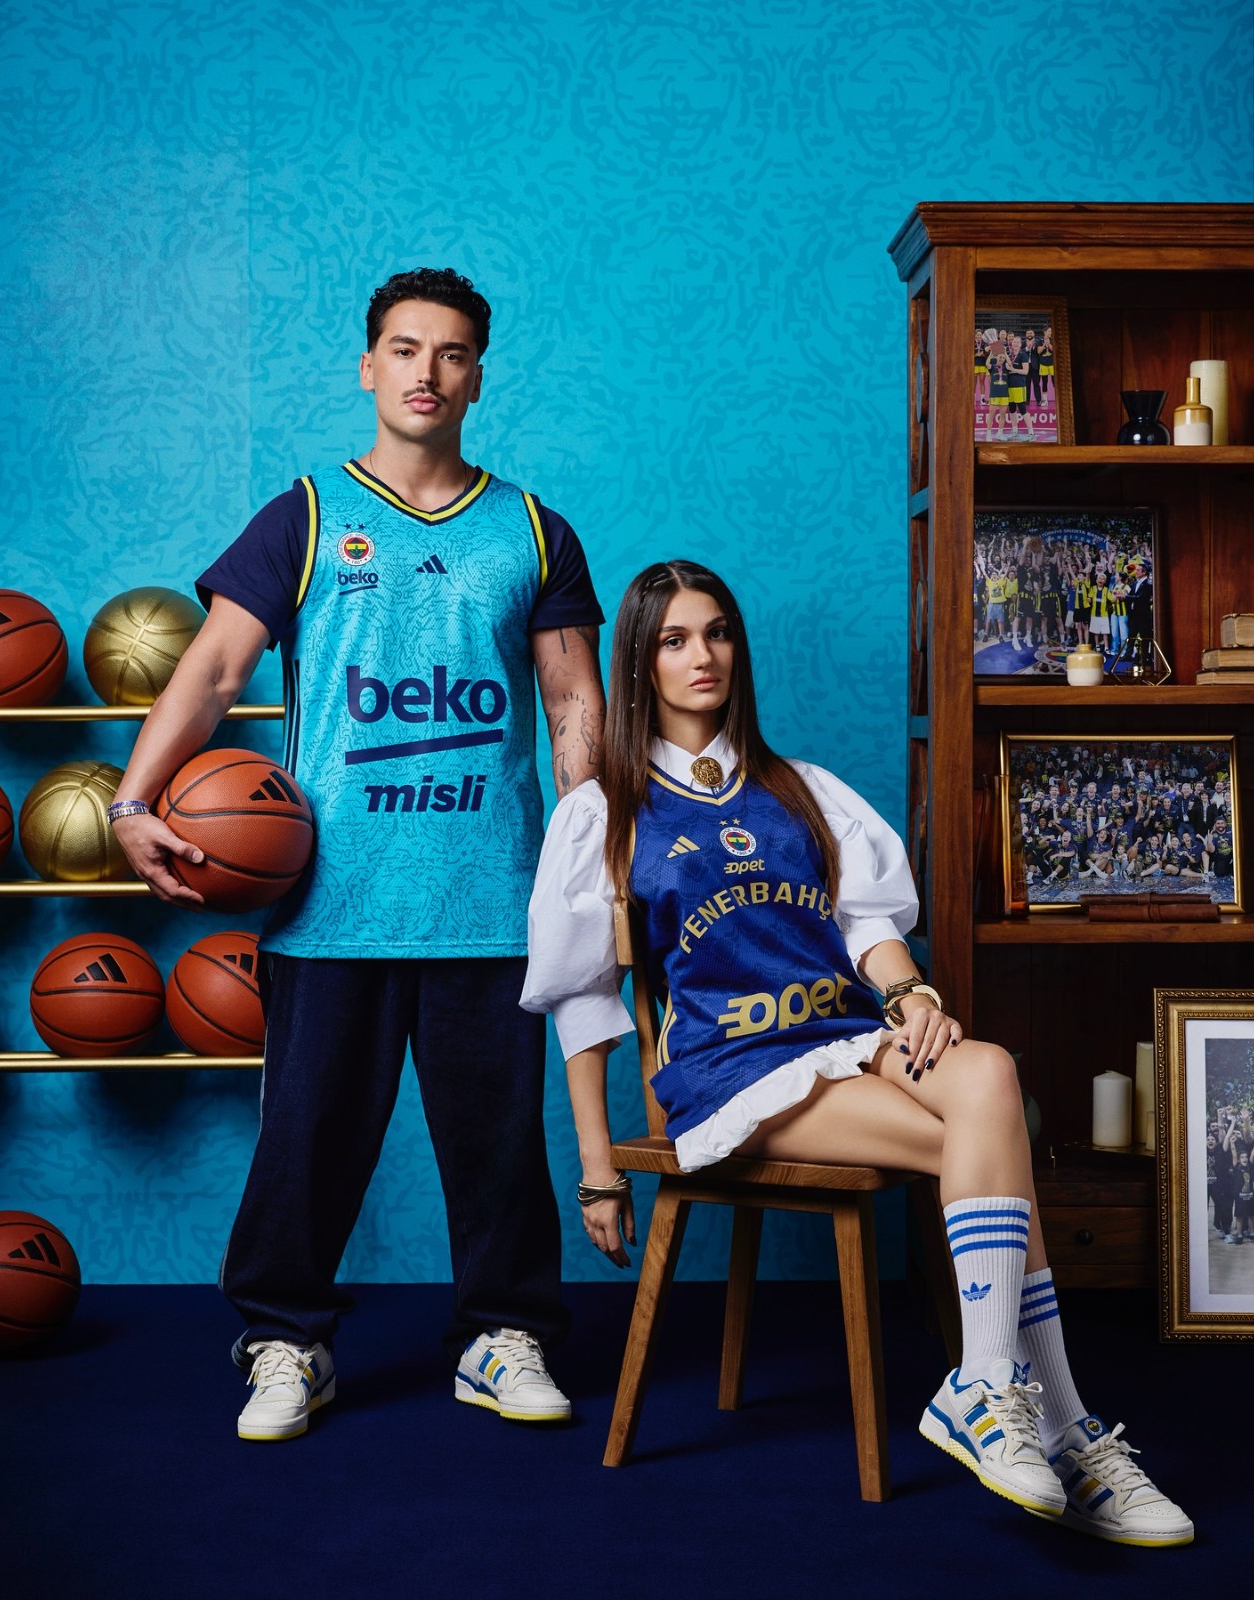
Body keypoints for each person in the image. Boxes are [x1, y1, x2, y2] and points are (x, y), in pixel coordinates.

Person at [522, 559, 1192, 1547]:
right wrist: (596, 1171)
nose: (703, 655)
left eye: (717, 632)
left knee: (988, 1072)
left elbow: (867, 924)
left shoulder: (801, 789)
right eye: (674, 639)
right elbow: (581, 1000)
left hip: (846, 1035)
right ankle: (1068, 1426)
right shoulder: (604, 813)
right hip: (730, 1074)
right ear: (639, 661)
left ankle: (987, 1385)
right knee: (990, 1140)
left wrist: (909, 993)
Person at [109, 268, 606, 1440]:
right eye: (406, 349)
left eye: (452, 353)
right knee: (308, 1142)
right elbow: (215, 670)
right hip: (334, 901)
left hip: (490, 896)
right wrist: (132, 799)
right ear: (368, 366)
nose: (428, 371)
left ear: (478, 377)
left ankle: (503, 1334)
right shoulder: (305, 513)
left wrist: (590, 857)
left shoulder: (535, 528)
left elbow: (574, 702)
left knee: (499, 1147)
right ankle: (285, 1341)